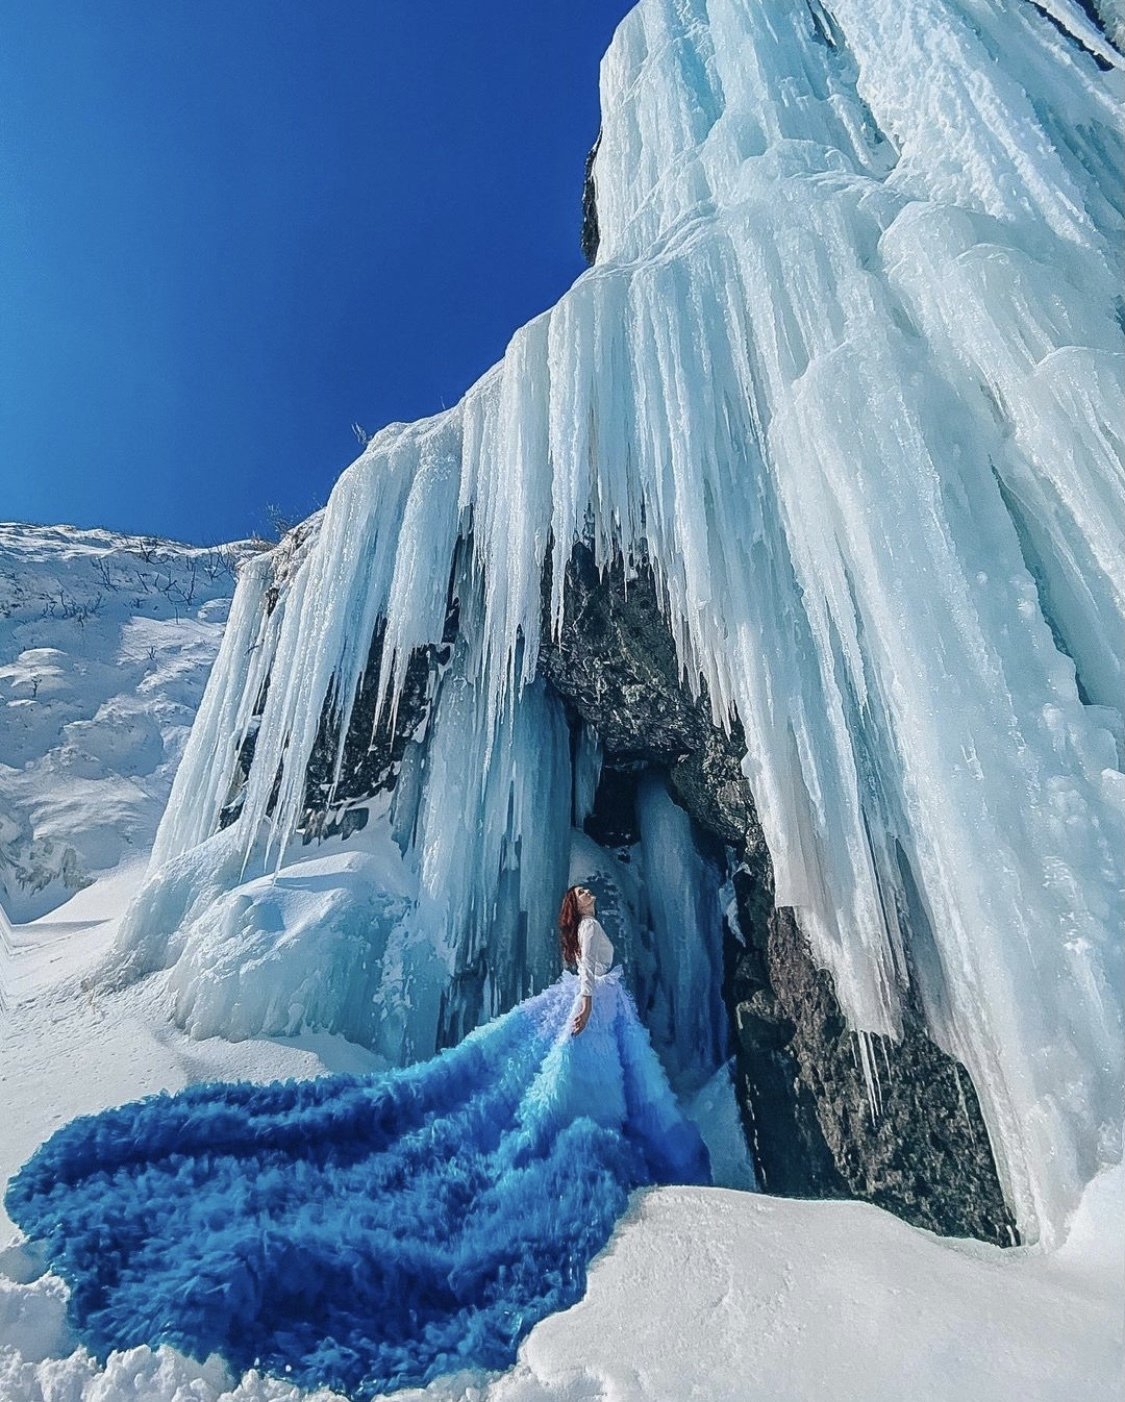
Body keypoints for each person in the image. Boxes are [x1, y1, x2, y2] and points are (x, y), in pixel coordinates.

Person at [7, 882, 709, 1401]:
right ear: (577, 907)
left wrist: (584, 1000)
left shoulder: (577, 930)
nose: (587, 895)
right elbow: (590, 979)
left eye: (585, 892)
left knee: (539, 1103)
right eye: (583, 893)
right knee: (563, 1127)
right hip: (588, 1015)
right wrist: (585, 1007)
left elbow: (587, 976)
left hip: (582, 1013)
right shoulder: (586, 936)